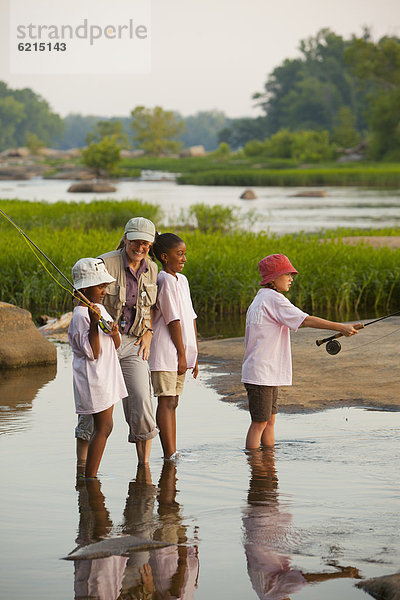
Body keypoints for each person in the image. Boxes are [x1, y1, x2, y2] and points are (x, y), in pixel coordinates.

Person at [241, 253, 360, 450]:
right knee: (260, 423)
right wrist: (340, 327)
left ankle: (269, 465)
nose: (291, 279)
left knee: (268, 422)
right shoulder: (273, 299)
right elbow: (305, 320)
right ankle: (256, 470)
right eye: (287, 274)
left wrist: (342, 327)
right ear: (272, 279)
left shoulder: (262, 298)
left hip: (265, 372)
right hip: (261, 373)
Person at [75, 217, 159, 468]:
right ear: (125, 238)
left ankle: (143, 467)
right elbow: (82, 300)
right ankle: (82, 466)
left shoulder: (153, 268)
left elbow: (150, 309)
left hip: (133, 343)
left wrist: (149, 331)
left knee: (142, 400)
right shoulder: (103, 263)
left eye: (146, 243)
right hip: (102, 346)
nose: (140, 247)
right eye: (135, 241)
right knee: (94, 408)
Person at [68, 258, 127, 478]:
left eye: (105, 285)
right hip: (94, 380)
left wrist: (113, 333)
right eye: (100, 286)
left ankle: (89, 475)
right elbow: (92, 353)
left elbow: (115, 344)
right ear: (83, 288)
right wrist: (94, 325)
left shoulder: (99, 308)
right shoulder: (80, 317)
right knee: (104, 427)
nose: (104, 290)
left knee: (105, 427)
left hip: (107, 376)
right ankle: (90, 477)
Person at [149, 233, 199, 460]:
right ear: (164, 257)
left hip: (181, 353)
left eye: (184, 254)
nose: (184, 259)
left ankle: (172, 451)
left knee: (174, 401)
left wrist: (193, 354)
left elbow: (190, 317)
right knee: (166, 400)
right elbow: (172, 319)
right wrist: (181, 353)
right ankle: (169, 453)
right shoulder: (164, 280)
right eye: (179, 254)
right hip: (166, 352)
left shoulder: (183, 280)